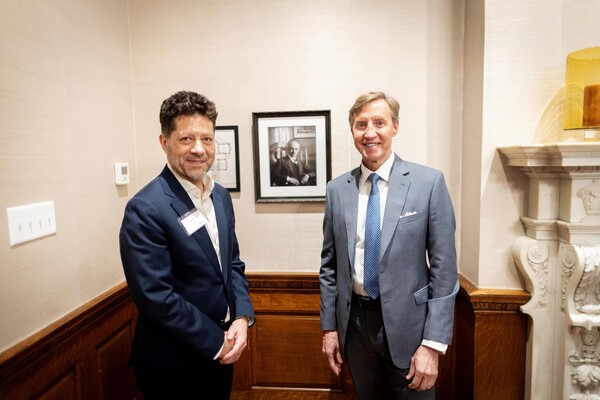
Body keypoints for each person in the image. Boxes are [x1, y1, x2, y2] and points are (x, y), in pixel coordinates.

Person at [319, 91, 458, 400]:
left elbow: (444, 271)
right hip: (354, 329)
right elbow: (329, 266)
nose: (370, 133)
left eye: (379, 122)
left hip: (411, 331)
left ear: (394, 126)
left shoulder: (428, 183)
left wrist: (433, 344)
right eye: (361, 124)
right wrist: (330, 329)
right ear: (352, 131)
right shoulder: (336, 190)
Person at [119, 90, 255, 399]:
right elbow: (156, 296)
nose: (199, 149)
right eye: (186, 139)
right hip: (173, 363)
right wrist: (215, 342)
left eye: (207, 139)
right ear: (164, 142)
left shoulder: (219, 196)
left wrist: (242, 317)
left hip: (223, 350)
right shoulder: (145, 208)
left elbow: (232, 263)